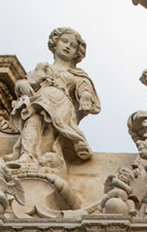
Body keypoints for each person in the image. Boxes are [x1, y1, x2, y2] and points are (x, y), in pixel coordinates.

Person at [14, 27, 99, 171]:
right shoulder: (43, 68)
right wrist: (22, 84)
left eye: (73, 46)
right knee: (33, 119)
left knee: (51, 133)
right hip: (39, 100)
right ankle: (27, 154)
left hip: (61, 105)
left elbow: (85, 89)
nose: (67, 46)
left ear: (76, 53)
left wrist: (85, 96)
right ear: (55, 43)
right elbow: (28, 81)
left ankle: (44, 156)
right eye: (64, 41)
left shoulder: (77, 74)